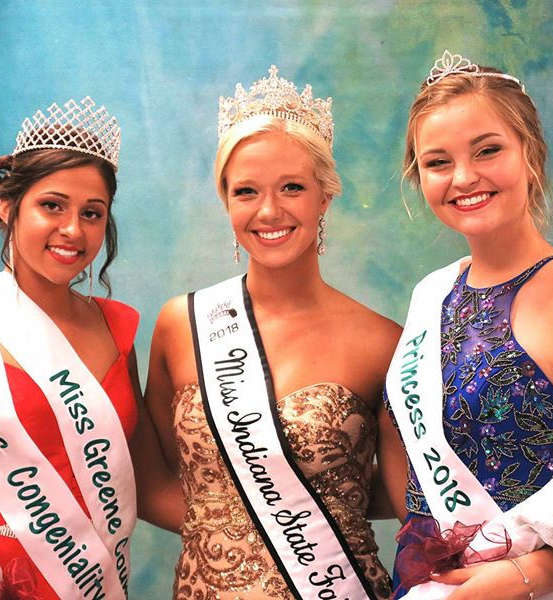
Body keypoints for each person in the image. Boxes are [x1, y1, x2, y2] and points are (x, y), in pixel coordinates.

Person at [145, 65, 402, 599]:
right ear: (226, 201)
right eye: (246, 191)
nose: (269, 210)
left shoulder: (382, 342)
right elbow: (154, 480)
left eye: (292, 187)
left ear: (324, 195)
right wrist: (228, 542)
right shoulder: (181, 325)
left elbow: (410, 492)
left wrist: (330, 509)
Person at [383, 50, 553, 599]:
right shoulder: (432, 293)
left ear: (529, 152)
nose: (464, 177)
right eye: (438, 162)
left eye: (487, 150)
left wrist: (531, 574)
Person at [0, 97, 172, 599]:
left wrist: (263, 526)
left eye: (92, 213)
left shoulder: (117, 330)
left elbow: (148, 483)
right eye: (52, 205)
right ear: (8, 206)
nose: (73, 230)